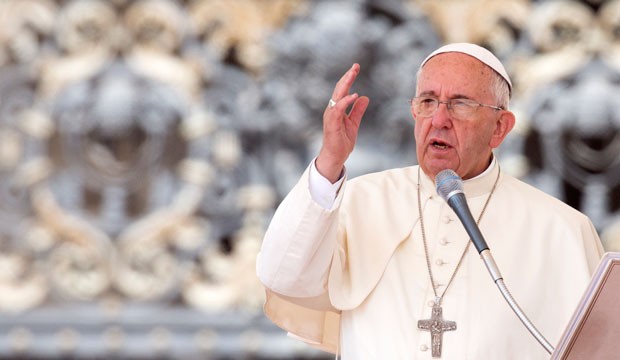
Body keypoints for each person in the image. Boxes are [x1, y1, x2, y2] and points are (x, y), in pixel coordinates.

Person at [256, 43, 603, 359]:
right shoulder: (360, 200)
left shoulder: (561, 229)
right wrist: (330, 160)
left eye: (461, 104)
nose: (439, 120)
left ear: (500, 128)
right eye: (427, 102)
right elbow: (282, 276)